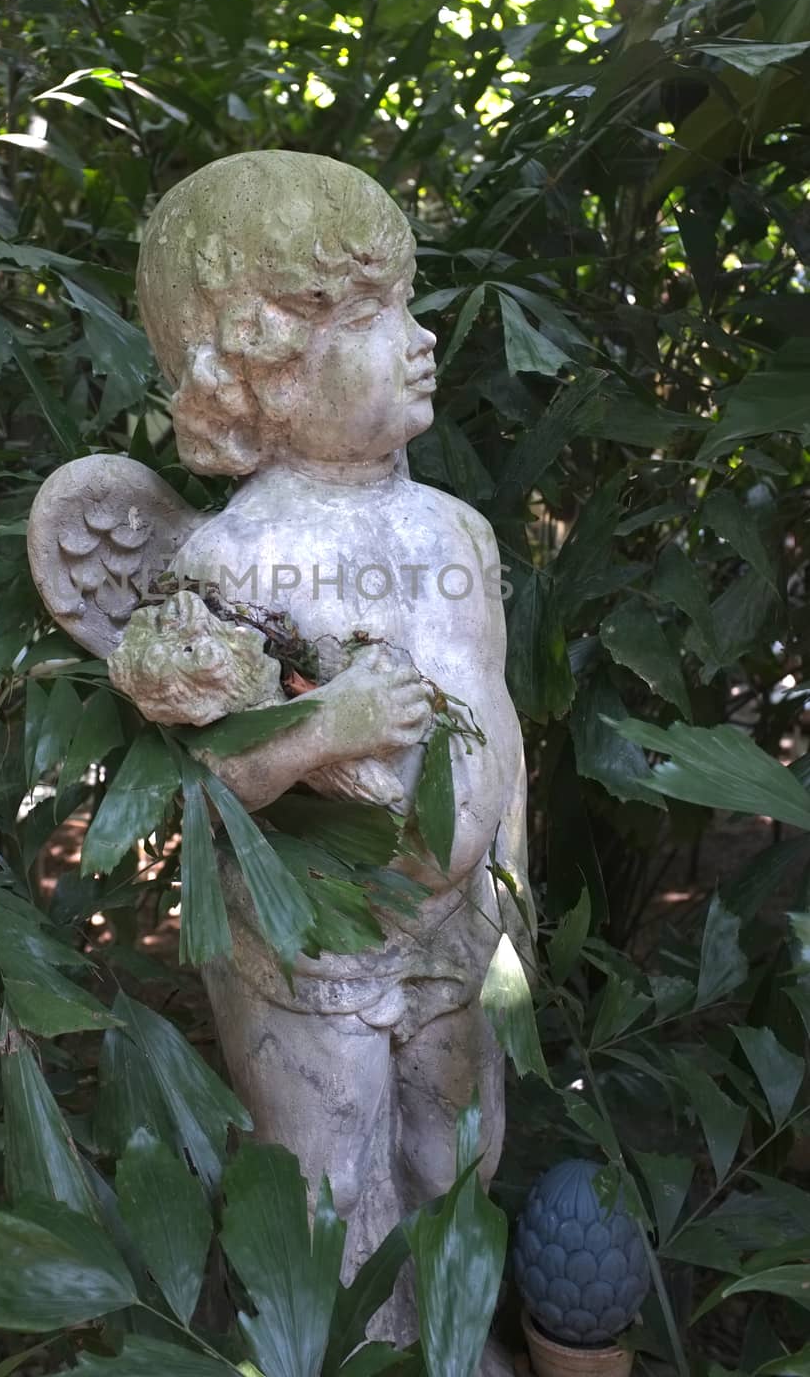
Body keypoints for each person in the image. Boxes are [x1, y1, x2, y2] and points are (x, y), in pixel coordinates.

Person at [136, 151, 530, 1329]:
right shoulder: (232, 557)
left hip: (455, 939)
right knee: (321, 1182)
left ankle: (445, 1344)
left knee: (460, 1156)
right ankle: (346, 1354)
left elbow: (495, 715)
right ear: (259, 369)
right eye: (367, 313)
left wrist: (513, 897)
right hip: (306, 951)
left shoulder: (455, 529)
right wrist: (325, 728)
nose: (417, 338)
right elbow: (206, 789)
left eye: (407, 301)